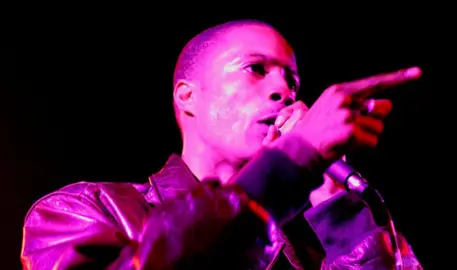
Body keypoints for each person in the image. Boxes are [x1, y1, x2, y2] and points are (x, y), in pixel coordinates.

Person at [21, 19, 423, 269]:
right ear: (187, 96)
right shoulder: (85, 210)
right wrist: (290, 163)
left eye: (292, 81)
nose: (283, 90)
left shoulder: (316, 239)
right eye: (256, 69)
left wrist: (339, 212)